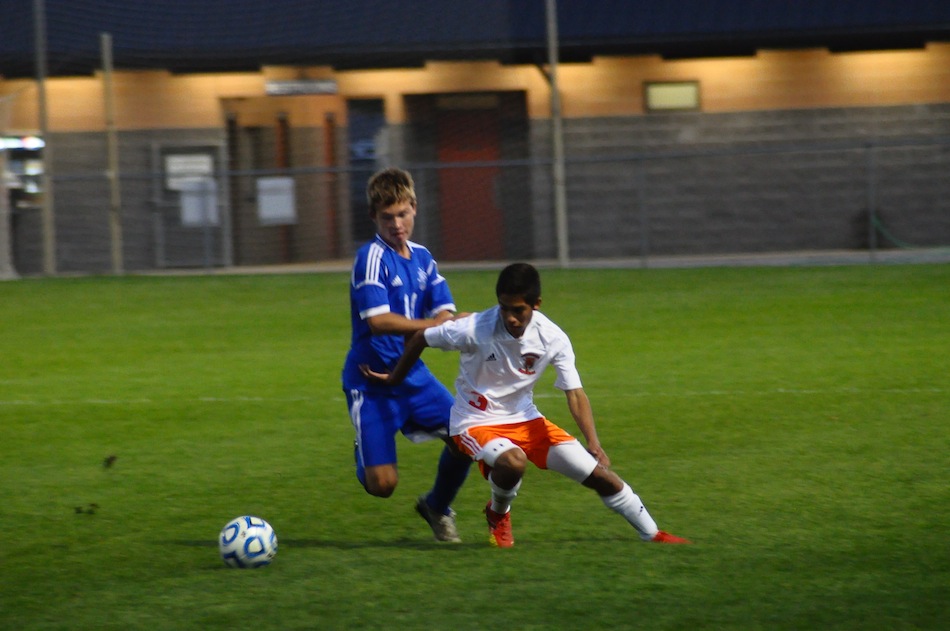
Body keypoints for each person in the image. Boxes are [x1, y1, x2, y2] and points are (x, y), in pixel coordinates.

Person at [361, 262, 690, 547]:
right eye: (505, 308)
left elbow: (574, 392)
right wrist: (393, 379)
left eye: (518, 309)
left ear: (536, 304)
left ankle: (653, 535)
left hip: (527, 420)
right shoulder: (474, 328)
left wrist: (594, 442)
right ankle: (498, 514)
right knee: (514, 462)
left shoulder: (553, 338)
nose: (511, 317)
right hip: (474, 421)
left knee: (602, 477)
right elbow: (421, 337)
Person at [342, 167, 471, 542]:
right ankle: (364, 450)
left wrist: (450, 323)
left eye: (402, 214)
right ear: (374, 217)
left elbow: (443, 310)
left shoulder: (423, 257)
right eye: (387, 217)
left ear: (414, 207)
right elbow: (379, 322)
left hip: (413, 376)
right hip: (372, 381)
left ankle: (436, 506)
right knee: (382, 486)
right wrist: (434, 328)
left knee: (467, 440)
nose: (396, 224)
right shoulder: (370, 258)